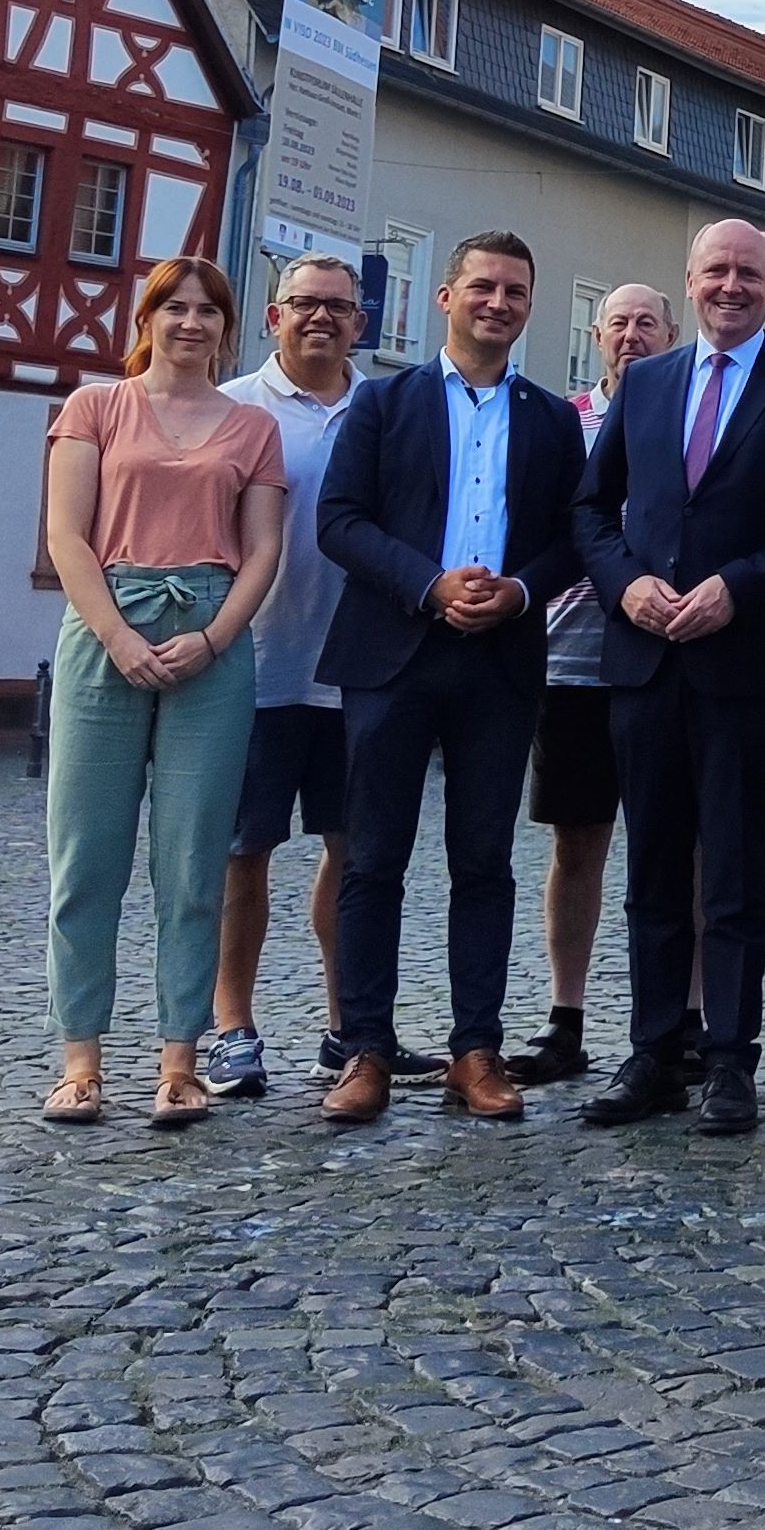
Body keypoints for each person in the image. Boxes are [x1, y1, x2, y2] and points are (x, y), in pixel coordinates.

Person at [572, 218, 765, 1136]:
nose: (731, 286)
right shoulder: (649, 382)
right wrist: (626, 588)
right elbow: (590, 509)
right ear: (689, 281)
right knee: (653, 863)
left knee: (734, 869)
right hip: (647, 655)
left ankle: (731, 1060)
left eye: (748, 272)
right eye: (715, 271)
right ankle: (656, 1048)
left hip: (743, 663)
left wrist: (739, 588)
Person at [314, 232, 588, 1127]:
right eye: (482, 286)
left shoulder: (551, 419)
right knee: (374, 860)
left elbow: (574, 536)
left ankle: (477, 1048)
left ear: (529, 306)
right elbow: (340, 522)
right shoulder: (384, 404)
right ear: (446, 297)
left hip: (501, 659)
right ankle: (366, 1050)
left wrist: (518, 589)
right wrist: (427, 584)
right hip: (393, 651)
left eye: (514, 290)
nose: (497, 302)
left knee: (484, 862)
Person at [38, 257, 289, 1130]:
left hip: (211, 641)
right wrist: (117, 635)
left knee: (192, 864)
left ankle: (180, 1062)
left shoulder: (253, 426)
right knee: (86, 859)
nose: (190, 322)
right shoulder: (96, 407)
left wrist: (215, 639)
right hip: (107, 627)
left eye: (207, 310)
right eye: (173, 307)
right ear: (148, 317)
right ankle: (81, 1062)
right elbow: (67, 535)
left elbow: (262, 552)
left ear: (229, 326)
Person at [199, 254, 373, 1102]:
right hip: (255, 668)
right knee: (244, 853)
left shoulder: (385, 408)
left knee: (355, 854)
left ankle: (349, 1031)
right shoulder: (234, 409)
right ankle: (232, 1027)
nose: (321, 319)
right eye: (304, 304)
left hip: (361, 674)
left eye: (338, 307)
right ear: (274, 317)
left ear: (360, 323)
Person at [512, 282, 675, 1087]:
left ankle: (682, 1019)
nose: (633, 335)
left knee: (678, 845)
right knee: (576, 845)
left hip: (663, 658)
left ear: (670, 334)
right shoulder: (561, 422)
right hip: (570, 662)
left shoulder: (686, 410)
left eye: (648, 322)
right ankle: (566, 1016)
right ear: (597, 337)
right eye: (619, 323)